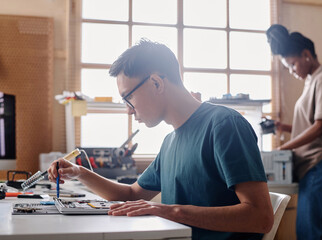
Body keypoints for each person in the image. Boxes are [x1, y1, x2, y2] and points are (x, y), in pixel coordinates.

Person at [48, 39, 274, 240]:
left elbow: (260, 217)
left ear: (156, 83)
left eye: (129, 98)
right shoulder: (170, 142)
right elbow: (130, 195)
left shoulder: (224, 125)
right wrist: (79, 172)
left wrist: (168, 210)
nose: (129, 110)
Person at [266, 24, 322, 240]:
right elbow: (311, 123)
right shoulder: (311, 80)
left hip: (319, 163)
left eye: (292, 65)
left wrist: (283, 148)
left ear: (306, 55)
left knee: (307, 231)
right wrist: (285, 128)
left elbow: (320, 126)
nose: (292, 71)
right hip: (312, 165)